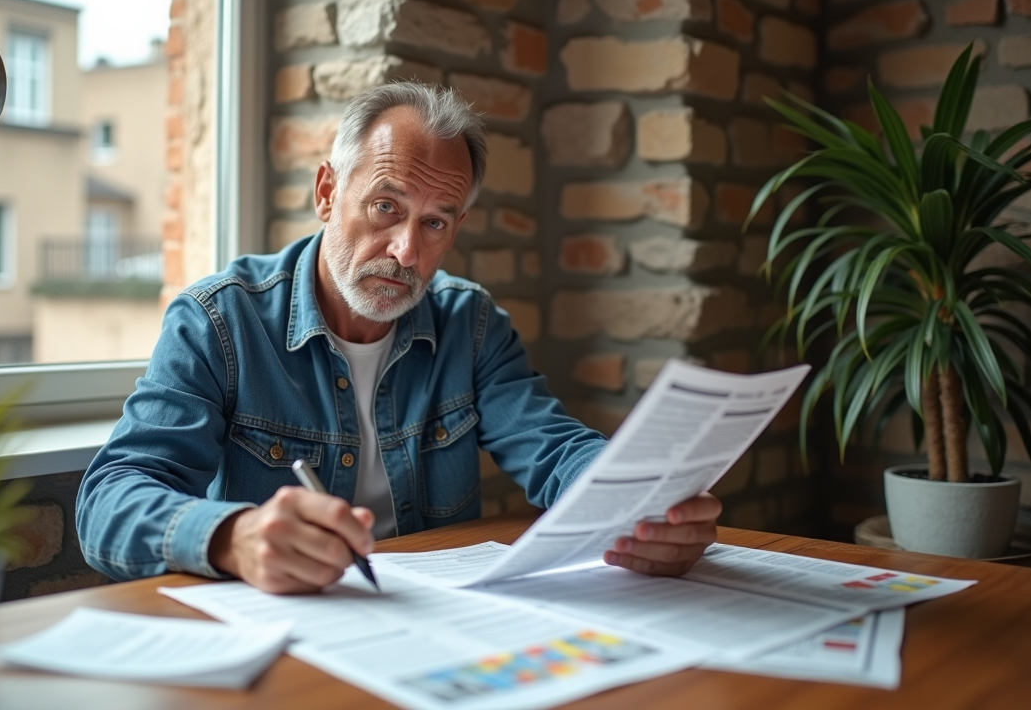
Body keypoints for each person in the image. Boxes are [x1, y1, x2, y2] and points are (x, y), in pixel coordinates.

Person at [76, 83, 722, 594]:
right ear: (329, 191)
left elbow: (552, 449)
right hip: (283, 634)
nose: (407, 251)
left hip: (428, 625)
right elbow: (108, 501)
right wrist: (231, 537)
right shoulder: (219, 323)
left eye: (436, 222)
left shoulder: (470, 325)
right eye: (386, 207)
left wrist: (642, 505)